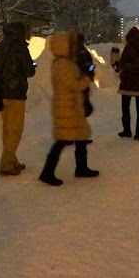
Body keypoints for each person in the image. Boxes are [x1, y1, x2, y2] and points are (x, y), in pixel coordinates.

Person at [38, 30, 99, 186]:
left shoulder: (62, 62)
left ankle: (81, 167)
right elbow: (74, 85)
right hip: (67, 107)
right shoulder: (63, 65)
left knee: (80, 136)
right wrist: (87, 78)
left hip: (69, 105)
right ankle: (47, 172)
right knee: (62, 140)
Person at [0, 21, 37, 176]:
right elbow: (29, 71)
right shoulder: (20, 48)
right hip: (16, 93)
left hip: (1, 93)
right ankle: (6, 164)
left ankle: (11, 158)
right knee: (15, 130)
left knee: (7, 129)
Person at [117, 27, 139, 140]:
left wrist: (123, 67)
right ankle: (138, 133)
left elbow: (122, 63)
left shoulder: (128, 48)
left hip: (128, 81)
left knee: (125, 107)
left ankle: (127, 130)